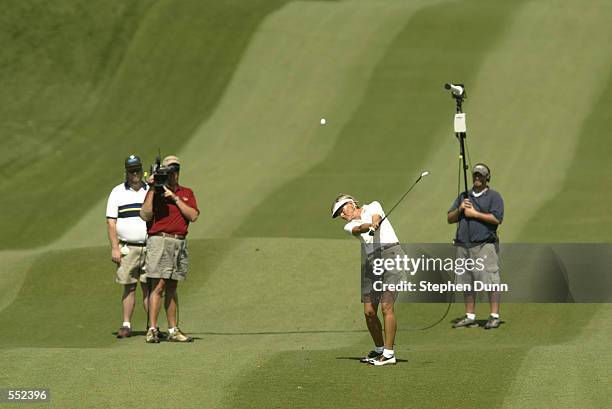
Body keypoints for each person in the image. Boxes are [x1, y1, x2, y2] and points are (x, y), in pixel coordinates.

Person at [331, 194, 404, 366]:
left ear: (350, 204)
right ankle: (379, 349)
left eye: (341, 210)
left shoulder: (373, 205)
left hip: (392, 256)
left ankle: (389, 353)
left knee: (387, 307)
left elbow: (376, 216)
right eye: (338, 214)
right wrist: (369, 226)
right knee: (369, 312)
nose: (342, 215)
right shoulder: (349, 226)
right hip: (372, 264)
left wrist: (375, 222)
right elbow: (360, 229)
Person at [140, 155, 199, 343]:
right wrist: (152, 188)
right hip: (160, 240)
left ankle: (173, 329)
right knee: (158, 286)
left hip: (179, 242)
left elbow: (193, 215)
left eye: (176, 170)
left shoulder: (186, 192)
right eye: (170, 170)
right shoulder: (155, 193)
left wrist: (174, 197)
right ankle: (152, 329)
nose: (174, 174)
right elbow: (145, 214)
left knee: (172, 287)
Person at [447, 163, 504, 329]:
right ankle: (470, 315)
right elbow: (450, 218)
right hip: (463, 245)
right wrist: (460, 209)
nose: (477, 178)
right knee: (466, 281)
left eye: (481, 175)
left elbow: (497, 219)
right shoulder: (464, 196)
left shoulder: (494, 196)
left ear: (487, 178)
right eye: (475, 175)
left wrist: (475, 214)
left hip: (485, 244)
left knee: (491, 280)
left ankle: (494, 316)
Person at [106, 155, 150, 338]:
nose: (135, 174)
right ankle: (126, 324)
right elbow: (111, 222)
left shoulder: (150, 190)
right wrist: (115, 247)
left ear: (142, 170)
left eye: (138, 170)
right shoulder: (117, 192)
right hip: (128, 247)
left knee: (150, 287)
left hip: (150, 246)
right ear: (126, 172)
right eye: (131, 170)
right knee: (129, 286)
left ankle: (152, 326)